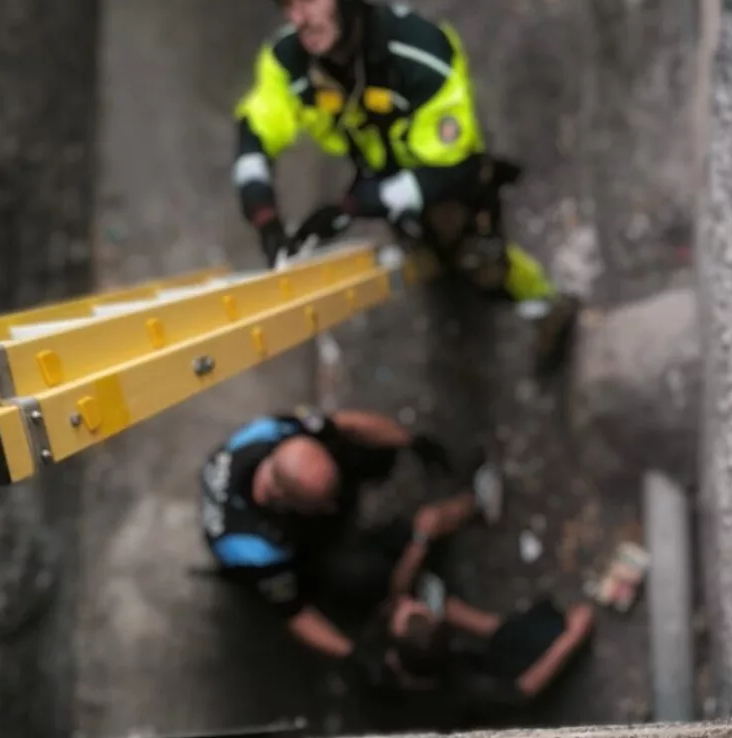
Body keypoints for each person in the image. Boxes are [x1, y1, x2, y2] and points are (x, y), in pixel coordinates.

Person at [231, 0, 580, 375]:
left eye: (310, 0)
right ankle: (426, 245)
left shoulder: (421, 52)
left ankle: (547, 305)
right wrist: (264, 216)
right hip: (378, 163)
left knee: (477, 258)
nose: (299, 18)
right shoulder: (287, 60)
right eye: (287, 5)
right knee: (416, 238)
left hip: (443, 170)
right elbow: (255, 131)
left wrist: (357, 206)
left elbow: (449, 166)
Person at [198, 406, 503, 661]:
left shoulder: (272, 433)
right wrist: (354, 654)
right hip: (300, 553)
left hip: (296, 504)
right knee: (358, 574)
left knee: (366, 449)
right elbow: (296, 613)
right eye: (323, 504)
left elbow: (347, 423)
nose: (334, 505)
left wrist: (410, 441)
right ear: (282, 499)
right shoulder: (251, 547)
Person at [352, 573, 596, 722]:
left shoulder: (376, 660)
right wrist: (572, 637)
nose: (407, 600)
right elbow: (522, 691)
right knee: (546, 634)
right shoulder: (459, 692)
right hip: (481, 706)